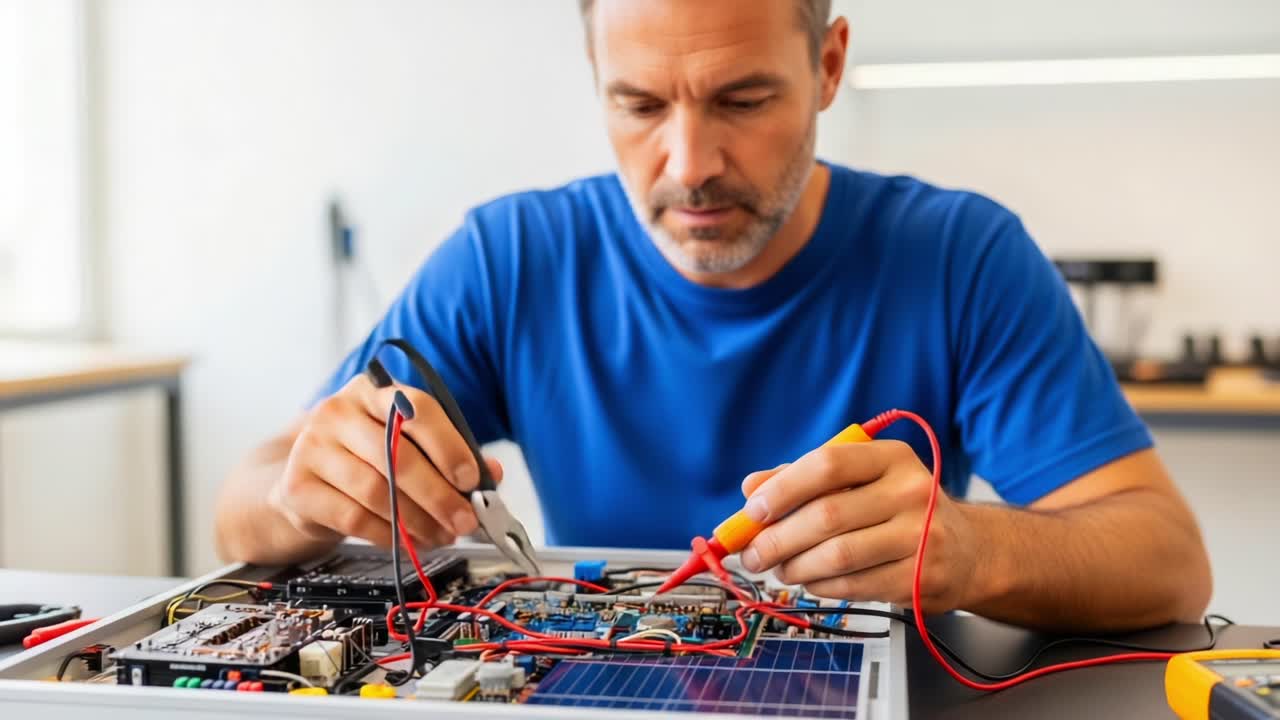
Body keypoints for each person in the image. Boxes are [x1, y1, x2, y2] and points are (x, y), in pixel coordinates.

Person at [215, 0, 1211, 632]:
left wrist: (969, 549)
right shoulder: (509, 259)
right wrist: (309, 494)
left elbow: (1166, 561)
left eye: (740, 100)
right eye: (639, 105)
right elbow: (244, 500)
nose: (687, 163)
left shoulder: (960, 257)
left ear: (827, 66)